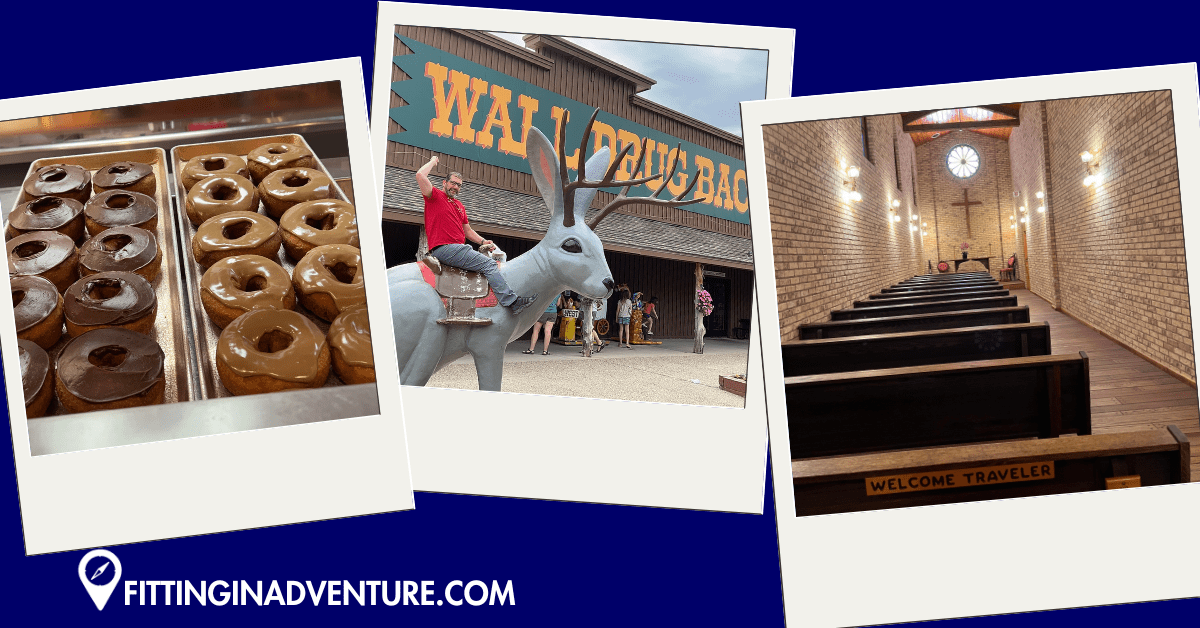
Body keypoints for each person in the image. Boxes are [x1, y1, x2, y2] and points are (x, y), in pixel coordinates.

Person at [417, 155, 537, 313]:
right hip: (445, 248)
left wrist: (483, 241)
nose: (455, 187)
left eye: (459, 185)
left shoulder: (459, 205)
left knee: (483, 260)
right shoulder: (435, 196)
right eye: (452, 183)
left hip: (456, 249)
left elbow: (467, 230)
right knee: (489, 264)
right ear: (444, 183)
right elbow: (420, 175)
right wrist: (433, 161)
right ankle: (511, 302)